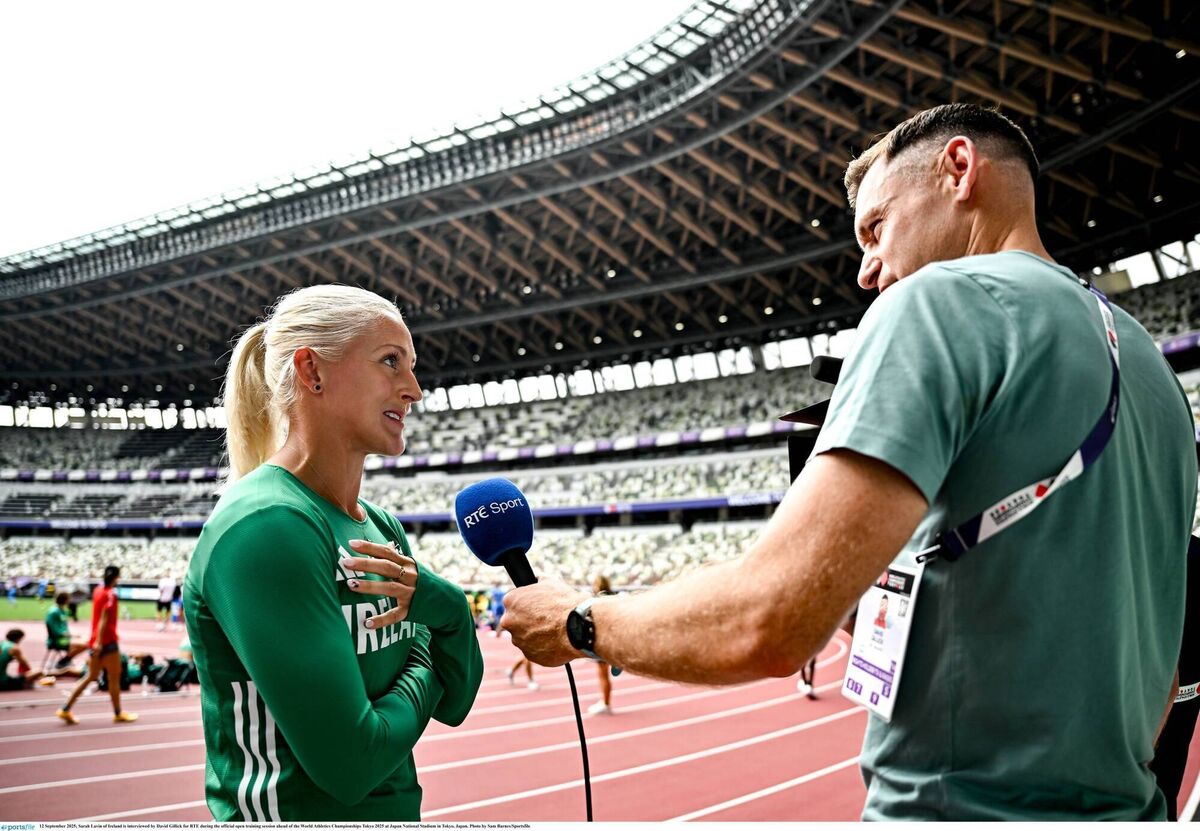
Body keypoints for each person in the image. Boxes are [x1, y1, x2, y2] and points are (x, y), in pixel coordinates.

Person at [499, 104, 1196, 821]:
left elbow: (766, 619)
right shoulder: (1152, 371)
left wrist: (580, 623)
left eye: (875, 227)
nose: (866, 270)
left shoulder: (939, 304)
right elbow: (1164, 677)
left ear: (959, 170)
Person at [184, 284, 483, 822]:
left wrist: (451, 607)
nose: (413, 389)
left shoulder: (381, 525)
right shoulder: (266, 526)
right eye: (391, 362)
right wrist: (428, 652)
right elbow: (352, 763)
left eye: (412, 367)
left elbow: (457, 703)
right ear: (311, 371)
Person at [57, 565, 138, 724]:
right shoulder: (110, 595)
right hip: (106, 642)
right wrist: (100, 642)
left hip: (95, 641)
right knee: (114, 676)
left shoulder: (98, 590)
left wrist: (95, 641)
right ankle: (118, 713)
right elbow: (104, 619)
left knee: (91, 676)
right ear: (116, 577)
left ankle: (65, 709)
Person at [42, 592, 88, 682]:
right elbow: (54, 630)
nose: (70, 600)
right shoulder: (53, 612)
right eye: (69, 598)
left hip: (64, 639)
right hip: (56, 641)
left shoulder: (62, 610)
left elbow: (71, 616)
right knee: (85, 645)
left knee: (85, 643)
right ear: (65, 600)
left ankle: (64, 660)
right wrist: (70, 635)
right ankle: (63, 661)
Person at [587, 575, 616, 715]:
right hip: (611, 640)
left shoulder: (598, 599)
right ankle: (605, 701)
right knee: (604, 675)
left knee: (603, 675)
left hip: (601, 641)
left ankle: (606, 703)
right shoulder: (613, 597)